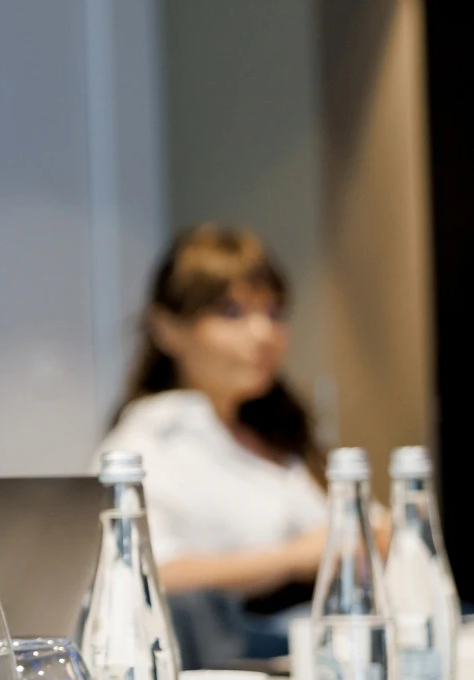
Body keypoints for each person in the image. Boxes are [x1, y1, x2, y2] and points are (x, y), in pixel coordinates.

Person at [99, 223, 326, 663]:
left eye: (274, 313)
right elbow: (142, 572)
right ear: (166, 328)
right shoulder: (143, 445)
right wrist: (293, 558)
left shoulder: (275, 434)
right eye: (232, 312)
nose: (263, 334)